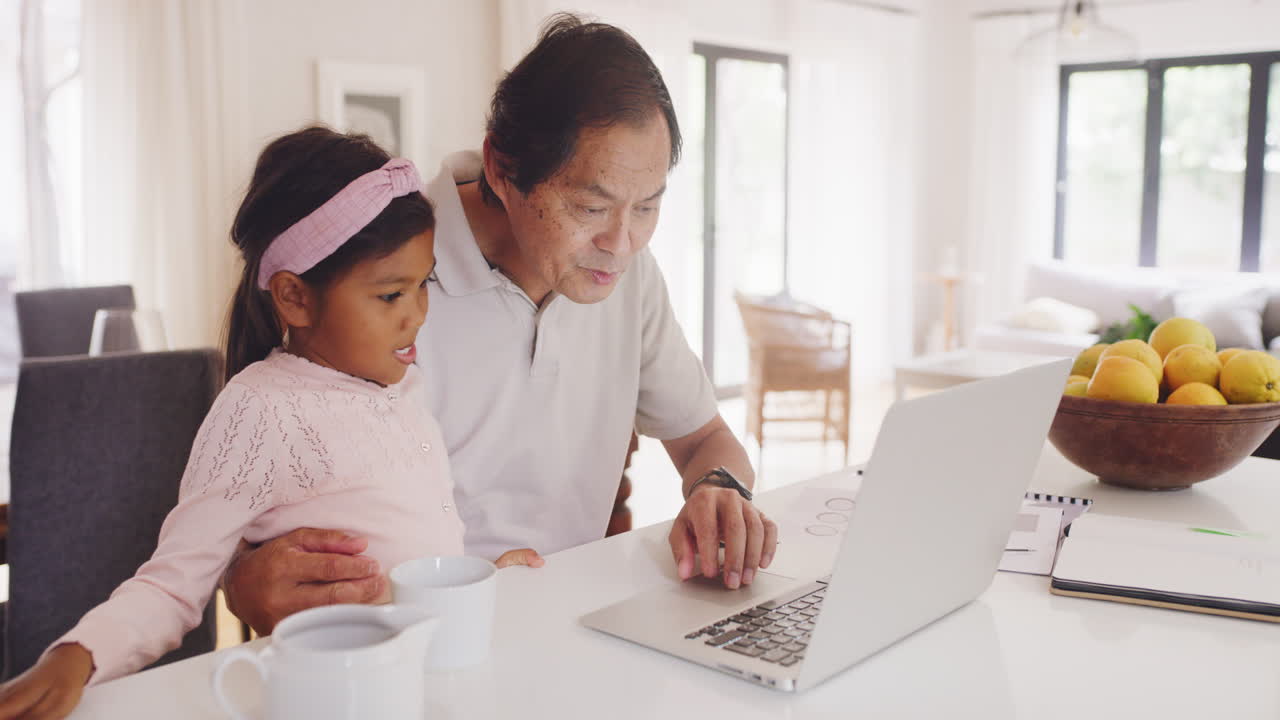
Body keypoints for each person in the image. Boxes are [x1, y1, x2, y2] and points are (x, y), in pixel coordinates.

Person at [222, 14, 778, 636]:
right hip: (409, 639)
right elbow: (261, 505)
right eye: (590, 206)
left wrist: (720, 488)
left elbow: (705, 440)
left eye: (647, 207)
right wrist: (241, 577)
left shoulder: (628, 276)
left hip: (576, 629)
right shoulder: (386, 283)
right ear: (500, 167)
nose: (621, 243)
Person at [0, 127, 540, 720]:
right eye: (390, 295)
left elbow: (405, 555)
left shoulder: (403, 389)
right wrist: (77, 656)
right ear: (295, 298)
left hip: (419, 691)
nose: (417, 314)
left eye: (422, 284)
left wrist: (480, 580)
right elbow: (172, 585)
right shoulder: (260, 412)